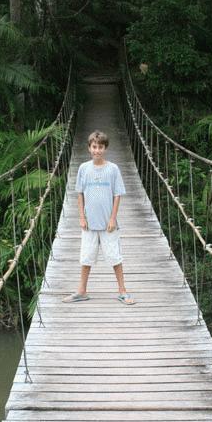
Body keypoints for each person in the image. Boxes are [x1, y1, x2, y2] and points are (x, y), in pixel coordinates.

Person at [62, 130, 135, 305]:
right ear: (89, 148)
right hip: (89, 224)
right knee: (86, 258)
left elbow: (117, 195)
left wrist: (112, 218)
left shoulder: (113, 169)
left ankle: (122, 291)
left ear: (105, 148)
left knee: (115, 257)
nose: (97, 151)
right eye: (94, 147)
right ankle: (81, 291)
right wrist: (81, 217)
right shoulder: (83, 169)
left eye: (100, 147)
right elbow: (79, 194)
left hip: (109, 225)